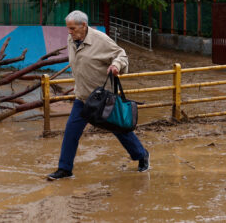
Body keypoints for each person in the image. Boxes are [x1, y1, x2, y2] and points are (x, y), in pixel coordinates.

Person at [47, 10, 150, 181]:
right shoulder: (71, 38)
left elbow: (121, 54)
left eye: (72, 28)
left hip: (103, 98)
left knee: (118, 129)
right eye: (68, 29)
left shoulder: (101, 40)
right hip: (82, 98)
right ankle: (65, 169)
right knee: (71, 132)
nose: (69, 32)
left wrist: (116, 65)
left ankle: (141, 154)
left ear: (84, 26)